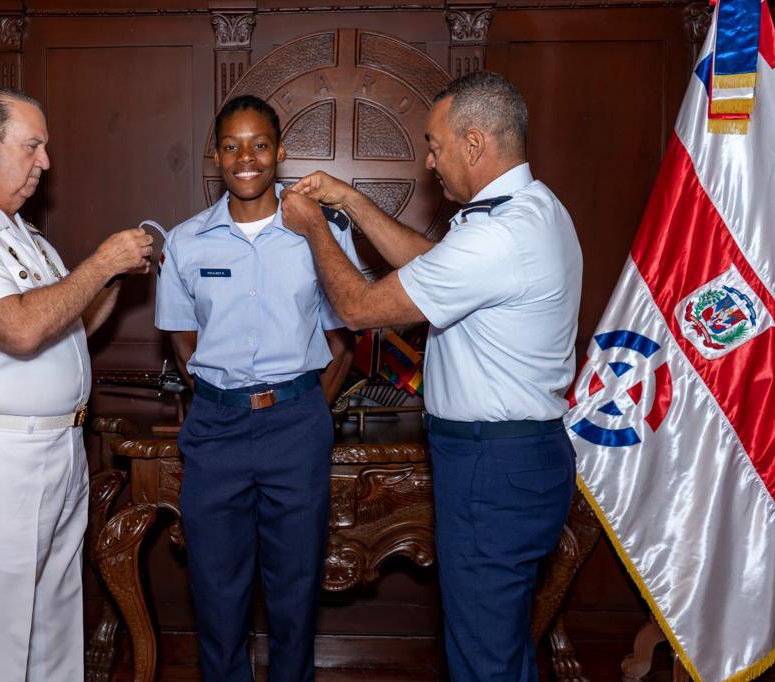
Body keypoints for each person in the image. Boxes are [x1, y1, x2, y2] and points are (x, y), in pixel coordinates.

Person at [280, 71, 582, 681]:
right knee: (497, 640)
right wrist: (352, 202)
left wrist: (314, 227)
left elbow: (361, 310)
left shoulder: (498, 235)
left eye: (435, 144)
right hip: (517, 459)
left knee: (483, 659)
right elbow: (433, 268)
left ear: (474, 144)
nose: (429, 159)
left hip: (491, 467)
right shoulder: (531, 209)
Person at [0, 86, 152, 682]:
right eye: (33, 145)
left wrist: (111, 280)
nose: (45, 161)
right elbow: (18, 329)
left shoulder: (27, 238)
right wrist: (98, 263)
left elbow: (68, 328)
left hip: (60, 449)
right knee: (1, 641)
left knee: (55, 629)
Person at [155, 94, 358, 682]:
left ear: (281, 153)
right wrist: (226, 397)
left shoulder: (318, 235)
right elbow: (183, 343)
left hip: (297, 426)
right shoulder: (186, 242)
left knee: (295, 599)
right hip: (215, 430)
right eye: (232, 145)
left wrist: (307, 406)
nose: (246, 157)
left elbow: (343, 339)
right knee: (217, 601)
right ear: (215, 156)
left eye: (260, 144)